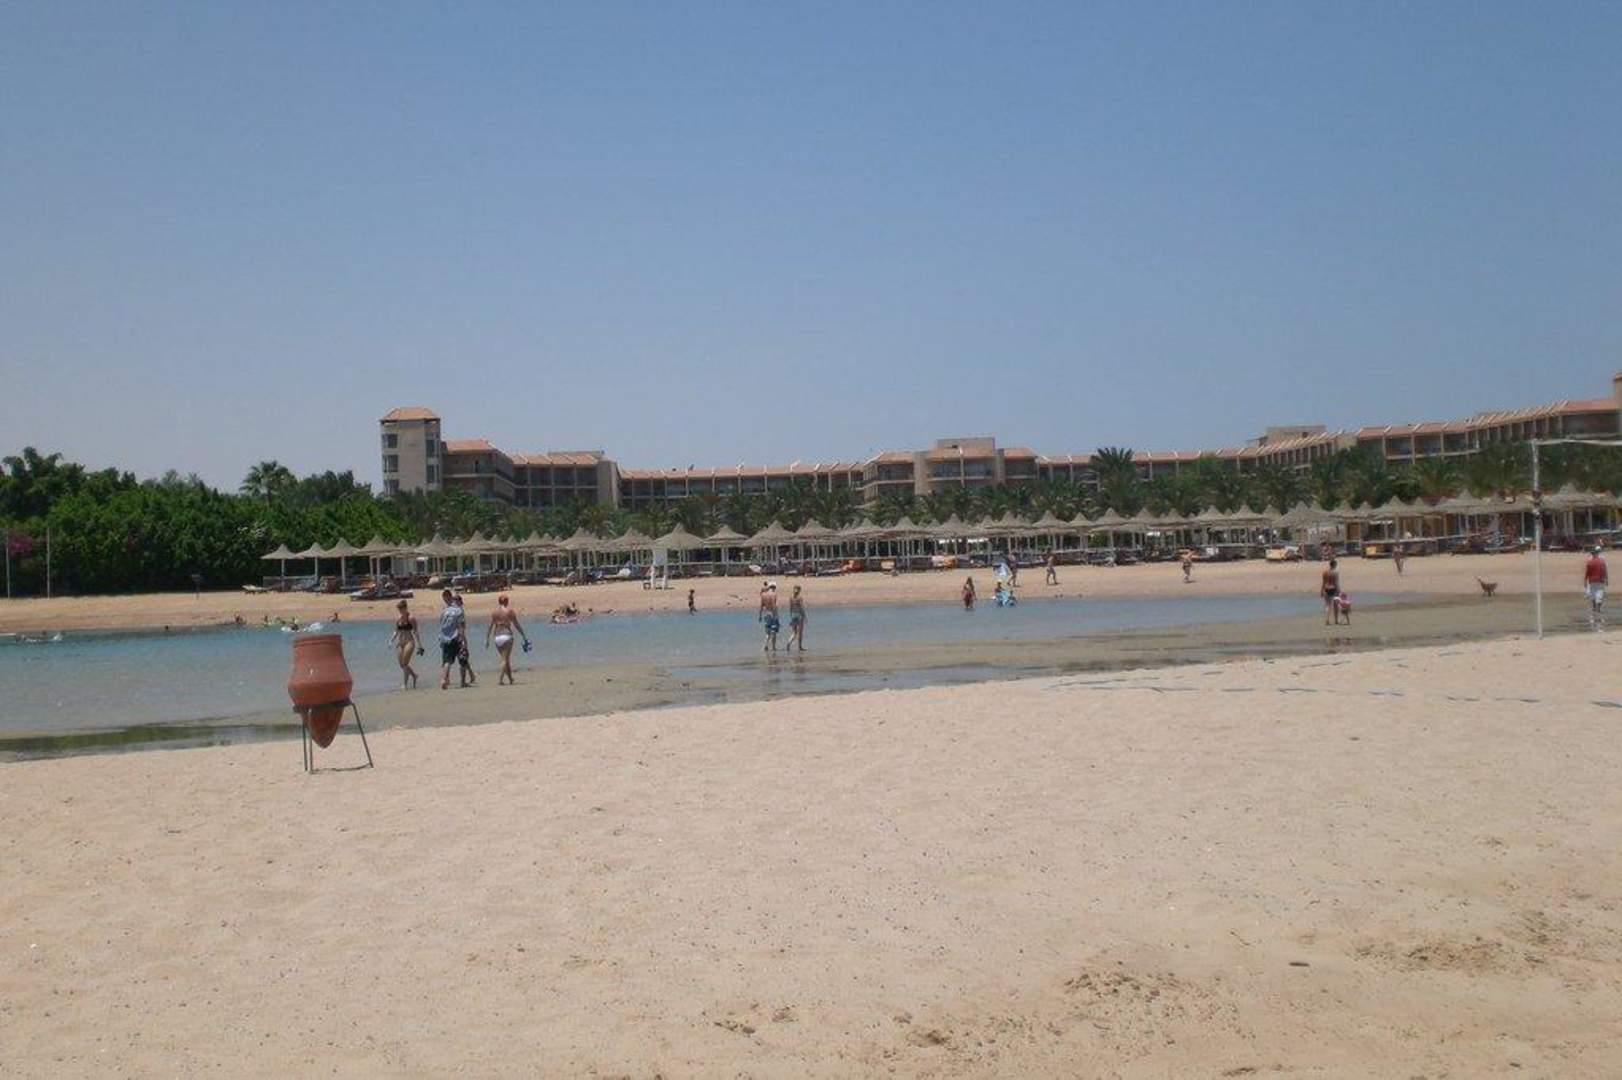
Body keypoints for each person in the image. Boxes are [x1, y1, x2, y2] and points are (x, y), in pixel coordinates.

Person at [485, 594, 530, 685]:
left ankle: (510, 679)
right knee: (505, 659)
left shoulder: (494, 612)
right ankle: (500, 679)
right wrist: (523, 635)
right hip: (507, 635)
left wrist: (487, 639)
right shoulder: (510, 611)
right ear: (506, 601)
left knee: (505, 659)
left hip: (497, 637)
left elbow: (490, 626)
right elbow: (516, 624)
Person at [437, 590, 466, 689]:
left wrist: (441, 638)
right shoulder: (458, 610)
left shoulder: (444, 611)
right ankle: (462, 682)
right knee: (462, 659)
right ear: (451, 597)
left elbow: (441, 625)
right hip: (455, 637)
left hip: (445, 639)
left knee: (447, 661)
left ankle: (443, 679)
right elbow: (461, 626)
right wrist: (462, 639)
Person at [391, 599, 421, 689]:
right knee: (402, 664)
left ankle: (405, 684)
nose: (400, 611)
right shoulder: (398, 619)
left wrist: (420, 645)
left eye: (401, 608)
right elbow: (396, 631)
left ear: (406, 608)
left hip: (409, 642)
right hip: (400, 643)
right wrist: (391, 640)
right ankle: (414, 675)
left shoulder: (411, 618)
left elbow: (416, 632)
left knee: (405, 663)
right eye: (399, 609)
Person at [453, 592, 477, 685]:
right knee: (463, 657)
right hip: (459, 636)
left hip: (458, 636)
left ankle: (468, 677)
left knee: (463, 658)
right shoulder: (458, 610)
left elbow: (461, 626)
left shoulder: (458, 611)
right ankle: (471, 675)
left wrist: (463, 639)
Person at [1584, 545, 1608, 631]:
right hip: (1600, 580)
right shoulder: (1601, 560)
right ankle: (1598, 609)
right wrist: (1606, 579)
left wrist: (1585, 581)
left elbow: (1587, 572)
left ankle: (1594, 609)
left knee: (1593, 595)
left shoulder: (1590, 561)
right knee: (1599, 595)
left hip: (1592, 581)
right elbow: (1604, 570)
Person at [759, 580, 780, 653]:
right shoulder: (774, 594)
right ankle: (773, 647)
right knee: (773, 631)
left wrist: (760, 615)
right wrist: (776, 615)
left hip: (766, 614)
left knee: (767, 632)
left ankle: (766, 645)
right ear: (774, 587)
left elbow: (761, 606)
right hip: (772, 614)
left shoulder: (763, 595)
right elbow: (774, 605)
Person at [787, 585, 807, 652]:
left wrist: (790, 617)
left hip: (793, 615)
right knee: (800, 633)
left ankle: (789, 642)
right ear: (799, 590)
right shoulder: (800, 598)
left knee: (794, 632)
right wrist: (805, 616)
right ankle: (800, 647)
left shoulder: (791, 598)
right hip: (799, 616)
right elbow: (802, 608)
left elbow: (790, 608)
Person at [1321, 558, 1341, 626]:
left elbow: (1323, 583)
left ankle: (1327, 620)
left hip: (1326, 589)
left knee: (1327, 605)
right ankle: (1336, 620)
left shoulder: (1325, 572)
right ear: (1334, 565)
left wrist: (1321, 591)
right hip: (1334, 589)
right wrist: (1339, 590)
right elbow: (1336, 582)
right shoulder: (1335, 572)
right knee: (1336, 604)